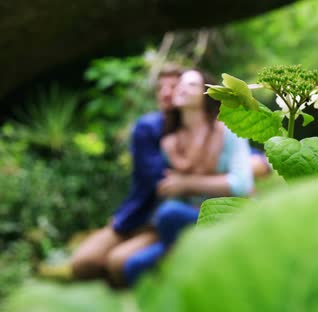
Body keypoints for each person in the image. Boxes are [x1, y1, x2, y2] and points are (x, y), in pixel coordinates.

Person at [118, 69, 253, 285]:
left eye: (190, 85)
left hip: (226, 219)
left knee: (169, 214)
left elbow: (241, 184)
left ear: (206, 94)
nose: (181, 88)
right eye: (180, 83)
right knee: (133, 266)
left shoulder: (229, 132)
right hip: (183, 225)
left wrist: (186, 183)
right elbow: (170, 190)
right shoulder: (170, 142)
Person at [70, 64, 183, 284]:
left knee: (118, 263)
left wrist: (256, 161)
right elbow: (157, 178)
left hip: (162, 223)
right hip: (134, 216)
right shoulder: (148, 127)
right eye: (161, 88)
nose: (165, 93)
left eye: (173, 87)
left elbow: (244, 156)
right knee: (83, 263)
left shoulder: (203, 127)